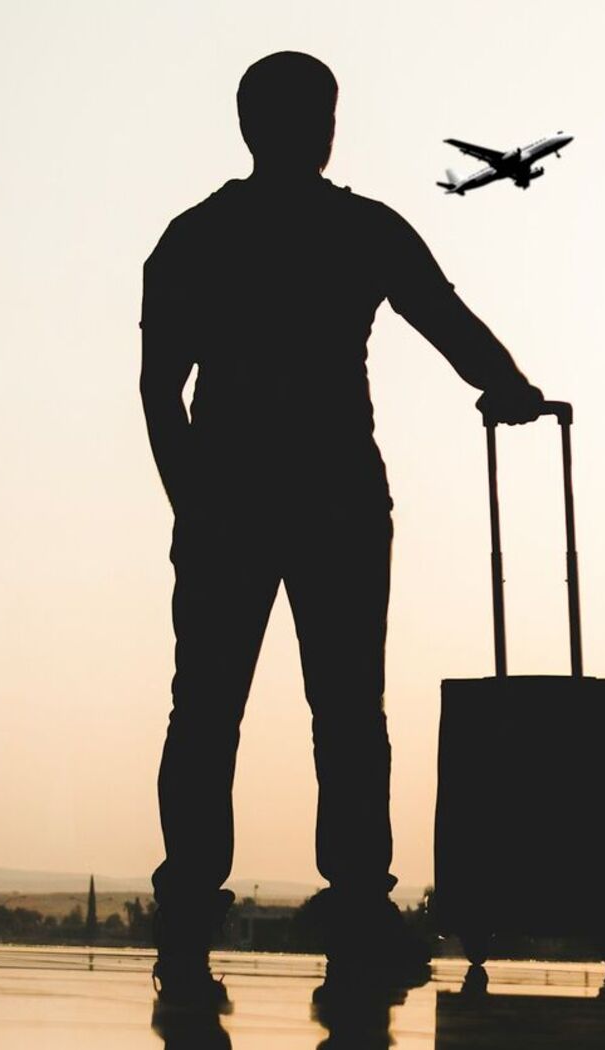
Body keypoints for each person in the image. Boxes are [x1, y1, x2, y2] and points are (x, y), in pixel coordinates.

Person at [139, 50, 546, 1004]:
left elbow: (162, 390)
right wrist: (512, 388)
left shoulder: (196, 237)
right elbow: (444, 319)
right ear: (323, 127)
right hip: (337, 500)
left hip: (229, 498)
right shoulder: (360, 229)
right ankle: (359, 908)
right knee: (350, 717)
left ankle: (188, 923)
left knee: (204, 716)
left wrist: (191, 502)